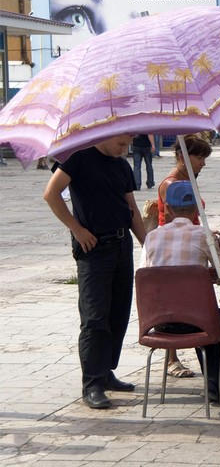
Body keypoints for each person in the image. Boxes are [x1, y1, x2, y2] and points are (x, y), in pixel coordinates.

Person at [43, 134, 146, 409]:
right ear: (108, 134)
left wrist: (148, 244)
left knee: (118, 313)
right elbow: (51, 194)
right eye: (122, 144)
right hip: (94, 249)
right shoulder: (78, 158)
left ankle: (106, 371)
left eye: (128, 146)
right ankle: (92, 383)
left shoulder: (121, 166)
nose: (125, 150)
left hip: (122, 245)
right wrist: (77, 229)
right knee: (95, 317)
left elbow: (132, 209)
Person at [142, 181, 220, 403]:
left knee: (206, 317)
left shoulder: (152, 237)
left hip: (159, 320)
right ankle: (215, 385)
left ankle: (213, 384)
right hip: (197, 321)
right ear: (196, 210)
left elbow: (148, 273)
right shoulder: (203, 235)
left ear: (168, 210)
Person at [155, 135, 213, 377]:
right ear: (182, 157)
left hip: (190, 239)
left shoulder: (188, 179)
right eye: (198, 157)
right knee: (173, 303)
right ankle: (171, 358)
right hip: (174, 248)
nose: (202, 163)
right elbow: (175, 224)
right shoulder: (171, 184)